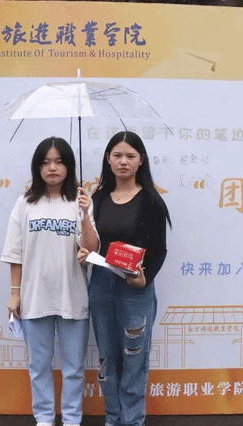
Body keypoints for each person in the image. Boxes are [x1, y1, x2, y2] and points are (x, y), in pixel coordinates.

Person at [1, 137, 99, 426]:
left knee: (73, 368)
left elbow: (91, 248)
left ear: (69, 166)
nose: (52, 168)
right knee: (39, 365)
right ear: (37, 167)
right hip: (35, 296)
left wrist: (85, 214)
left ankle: (71, 419)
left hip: (73, 295)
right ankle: (44, 418)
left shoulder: (80, 201)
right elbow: (15, 253)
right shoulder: (25, 204)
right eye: (45, 162)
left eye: (58, 161)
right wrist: (15, 293)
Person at [78, 131, 171, 426]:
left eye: (130, 156)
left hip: (135, 289)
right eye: (117, 155)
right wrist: (84, 220)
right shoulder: (97, 199)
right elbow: (92, 245)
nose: (123, 161)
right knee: (107, 358)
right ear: (108, 159)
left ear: (141, 160)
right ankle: (113, 419)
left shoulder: (151, 201)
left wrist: (145, 279)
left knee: (134, 358)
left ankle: (131, 421)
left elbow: (160, 250)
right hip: (102, 285)